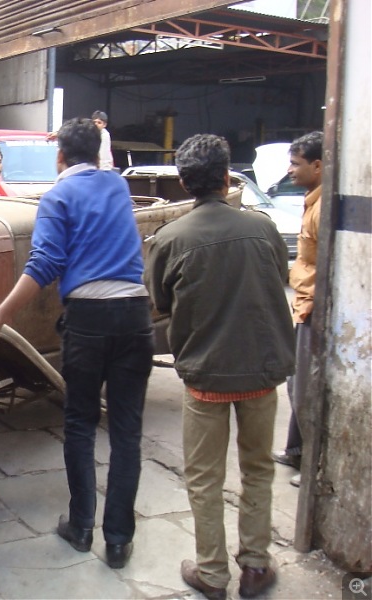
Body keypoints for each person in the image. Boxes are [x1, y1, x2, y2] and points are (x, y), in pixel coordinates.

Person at [0, 117, 153, 569]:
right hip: (135, 315)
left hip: (89, 319)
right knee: (127, 431)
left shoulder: (58, 196)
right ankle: (117, 541)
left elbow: (45, 262)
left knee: (80, 423)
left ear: (59, 157)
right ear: (98, 154)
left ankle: (80, 526)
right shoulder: (117, 189)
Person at [143, 134, 295, 600]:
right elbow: (280, 280)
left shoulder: (169, 239)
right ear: (228, 176)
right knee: (258, 469)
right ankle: (254, 566)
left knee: (205, 479)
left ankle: (211, 572)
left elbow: (160, 303)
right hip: (260, 373)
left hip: (205, 376)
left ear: (185, 183)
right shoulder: (264, 228)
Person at [272, 131, 323, 488]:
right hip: (303, 303)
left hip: (312, 307)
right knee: (295, 383)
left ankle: (312, 463)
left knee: (303, 388)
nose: (290, 170)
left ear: (318, 165)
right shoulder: (310, 200)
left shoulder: (323, 209)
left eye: (296, 164)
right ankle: (295, 450)